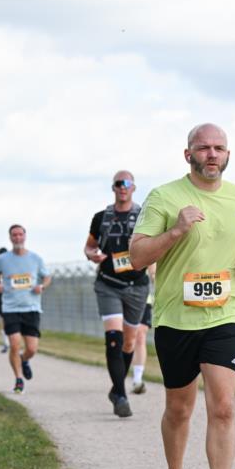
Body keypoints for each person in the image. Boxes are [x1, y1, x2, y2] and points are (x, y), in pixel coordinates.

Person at [130, 123, 235, 469]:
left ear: (227, 156)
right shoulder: (165, 197)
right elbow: (137, 257)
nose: (212, 154)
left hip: (226, 314)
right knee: (179, 408)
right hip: (176, 317)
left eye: (219, 148)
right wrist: (176, 230)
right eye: (203, 148)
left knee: (223, 406)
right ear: (187, 154)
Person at [84, 170, 150, 417]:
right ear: (113, 188)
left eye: (127, 183)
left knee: (130, 341)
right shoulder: (101, 218)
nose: (122, 187)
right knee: (114, 337)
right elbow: (89, 247)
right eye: (118, 184)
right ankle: (121, 395)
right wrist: (92, 255)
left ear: (134, 187)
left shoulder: (145, 216)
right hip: (108, 283)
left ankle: (116, 388)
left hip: (137, 285)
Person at [0, 225, 51, 394]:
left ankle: (24, 360)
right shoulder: (3, 259)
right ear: (10, 238)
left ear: (25, 236)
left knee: (31, 348)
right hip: (10, 308)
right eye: (14, 235)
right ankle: (18, 379)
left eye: (20, 234)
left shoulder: (36, 259)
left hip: (31, 307)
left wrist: (41, 287)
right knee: (14, 345)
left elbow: (47, 277)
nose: (17, 238)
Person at [130, 264, 156, 394]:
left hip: (142, 298)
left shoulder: (143, 242)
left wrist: (154, 277)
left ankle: (137, 379)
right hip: (120, 296)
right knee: (126, 340)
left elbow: (153, 269)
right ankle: (119, 375)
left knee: (140, 336)